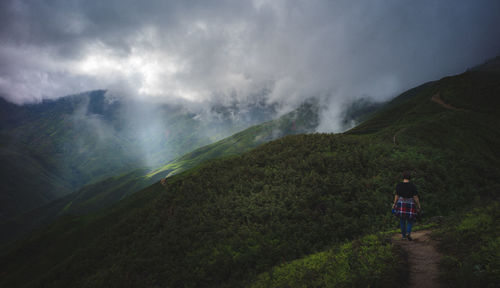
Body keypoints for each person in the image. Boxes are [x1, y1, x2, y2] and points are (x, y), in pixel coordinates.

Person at [392, 171, 421, 241]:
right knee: (410, 219)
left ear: (403, 177)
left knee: (402, 220)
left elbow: (396, 196)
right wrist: (418, 205)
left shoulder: (399, 185)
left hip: (401, 203)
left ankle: (403, 236)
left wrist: (394, 204)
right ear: (410, 178)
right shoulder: (412, 185)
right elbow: (415, 197)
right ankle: (408, 233)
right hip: (410, 203)